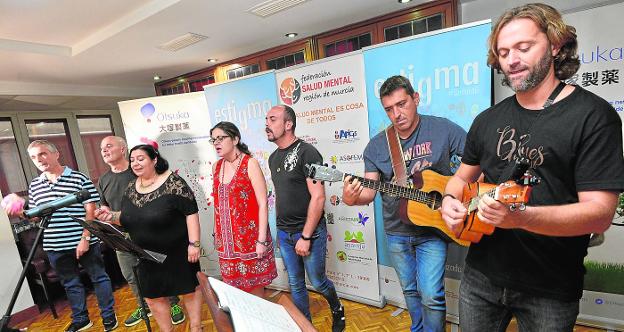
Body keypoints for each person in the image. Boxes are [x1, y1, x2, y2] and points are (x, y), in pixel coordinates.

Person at [439, 4, 624, 331]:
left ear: (554, 45)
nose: (512, 59)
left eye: (524, 48)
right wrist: (449, 203)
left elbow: (599, 213)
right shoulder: (486, 120)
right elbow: (459, 180)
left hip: (550, 288)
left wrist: (520, 218)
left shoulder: (593, 117)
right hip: (480, 277)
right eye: (504, 51)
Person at [342, 75, 466, 332]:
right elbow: (368, 192)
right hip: (397, 231)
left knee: (431, 295)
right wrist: (352, 198)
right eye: (389, 109)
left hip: (433, 228)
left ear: (416, 99)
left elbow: (476, 163)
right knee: (410, 290)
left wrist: (460, 192)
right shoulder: (376, 147)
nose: (397, 114)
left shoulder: (442, 129)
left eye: (402, 104)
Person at [11, 140, 118, 332]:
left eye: (43, 154)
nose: (39, 160)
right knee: (70, 284)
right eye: (34, 157)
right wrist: (21, 212)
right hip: (54, 245)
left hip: (84, 241)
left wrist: (85, 238)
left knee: (99, 278)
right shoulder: (35, 185)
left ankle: (109, 316)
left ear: (56, 154)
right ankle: (81, 319)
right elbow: (37, 219)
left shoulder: (79, 178)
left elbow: (91, 212)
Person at [95, 144, 203, 332]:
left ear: (154, 160)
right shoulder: (131, 187)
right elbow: (127, 218)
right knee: (153, 297)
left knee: (189, 289)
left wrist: (194, 244)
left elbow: (191, 212)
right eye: (133, 160)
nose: (135, 163)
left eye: (141, 158)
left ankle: (195, 327)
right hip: (145, 254)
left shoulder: (173, 182)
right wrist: (109, 216)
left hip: (178, 251)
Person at [265, 105, 345, 332]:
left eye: (272, 119)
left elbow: (318, 197)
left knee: (318, 282)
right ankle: (305, 326)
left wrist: (306, 236)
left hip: (309, 233)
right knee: (296, 285)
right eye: (267, 120)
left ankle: (337, 308)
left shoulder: (309, 153)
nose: (267, 124)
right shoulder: (272, 158)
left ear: (288, 124)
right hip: (285, 232)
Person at [210, 121, 277, 296]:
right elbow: (217, 204)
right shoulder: (216, 167)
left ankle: (260, 323)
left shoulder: (250, 163)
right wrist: (216, 232)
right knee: (235, 292)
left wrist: (261, 240)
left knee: (255, 291)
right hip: (227, 243)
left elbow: (263, 203)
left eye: (220, 138)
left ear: (235, 139)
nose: (216, 142)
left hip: (251, 240)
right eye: (213, 139)